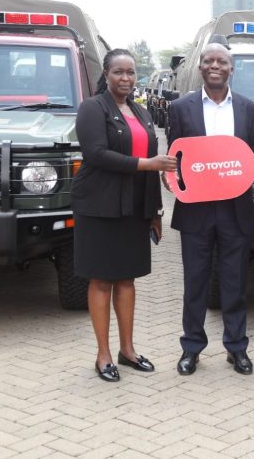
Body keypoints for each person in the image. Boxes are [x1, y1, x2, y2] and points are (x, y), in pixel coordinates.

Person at [72, 48, 176, 383]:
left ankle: (127, 350)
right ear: (106, 74)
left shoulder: (141, 112)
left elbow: (152, 165)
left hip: (134, 207)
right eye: (119, 71)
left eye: (131, 72)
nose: (126, 78)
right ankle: (103, 354)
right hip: (100, 206)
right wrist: (147, 164)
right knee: (102, 279)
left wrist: (156, 211)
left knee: (127, 279)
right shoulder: (92, 108)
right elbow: (96, 154)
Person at [167, 43, 254, 376]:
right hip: (196, 210)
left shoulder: (249, 109)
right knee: (195, 283)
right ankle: (191, 348)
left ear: (232, 68)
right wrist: (171, 179)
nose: (215, 66)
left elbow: (251, 157)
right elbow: (175, 156)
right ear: (201, 67)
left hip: (236, 209)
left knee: (235, 282)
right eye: (209, 61)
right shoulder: (180, 108)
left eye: (222, 61)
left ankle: (237, 348)